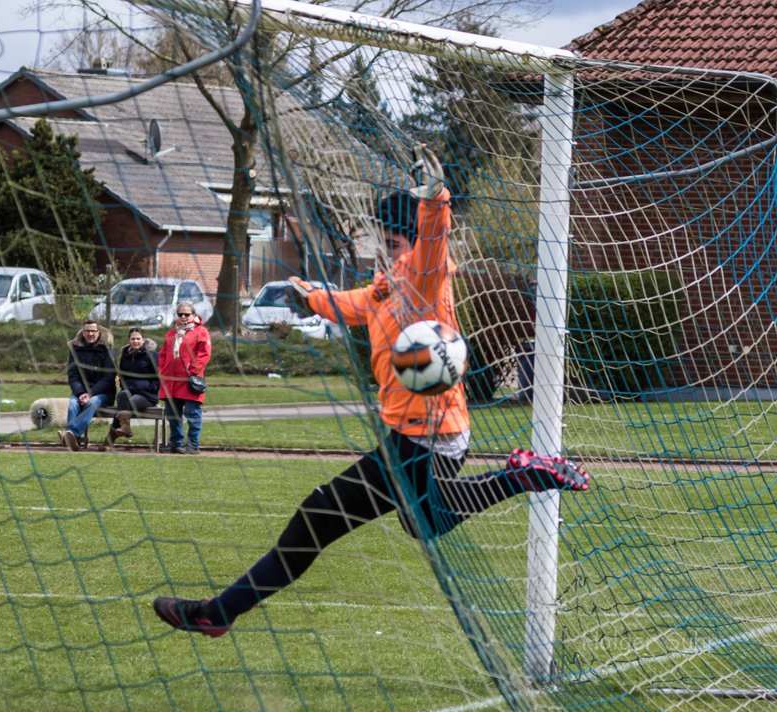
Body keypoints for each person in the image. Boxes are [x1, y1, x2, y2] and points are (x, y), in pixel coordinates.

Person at [153, 147, 590, 637]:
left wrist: (433, 196)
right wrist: (310, 297)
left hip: (428, 434)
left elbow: (435, 235)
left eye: (395, 242)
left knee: (330, 517)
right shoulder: (385, 288)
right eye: (384, 241)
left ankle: (218, 612)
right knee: (406, 522)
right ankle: (219, 612)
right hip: (407, 435)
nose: (387, 250)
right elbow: (348, 304)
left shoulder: (425, 277)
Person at [157, 302, 210, 454]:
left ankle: (193, 445)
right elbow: (163, 355)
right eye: (180, 314)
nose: (183, 317)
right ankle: (176, 444)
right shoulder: (171, 333)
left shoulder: (201, 332)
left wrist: (193, 370)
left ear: (193, 315)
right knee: (173, 415)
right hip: (171, 381)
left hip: (189, 380)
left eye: (187, 314)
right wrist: (162, 370)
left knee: (192, 414)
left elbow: (204, 354)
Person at [60, 319, 116, 451]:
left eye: (93, 331)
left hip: (102, 393)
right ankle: (74, 440)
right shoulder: (75, 350)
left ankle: (71, 434)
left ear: (98, 332)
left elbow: (108, 378)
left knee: (92, 402)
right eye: (88, 331)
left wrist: (90, 393)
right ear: (83, 333)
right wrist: (80, 393)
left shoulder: (109, 351)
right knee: (73, 404)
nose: (90, 334)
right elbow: (73, 375)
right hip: (81, 390)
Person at [102, 327, 160, 447]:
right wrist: (125, 385)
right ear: (129, 340)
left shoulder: (152, 355)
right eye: (133, 339)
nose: (135, 341)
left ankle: (111, 437)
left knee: (129, 403)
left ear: (143, 339)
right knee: (122, 395)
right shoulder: (125, 355)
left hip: (147, 395)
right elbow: (122, 375)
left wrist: (149, 387)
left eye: (138, 339)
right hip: (129, 391)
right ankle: (125, 427)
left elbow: (159, 377)